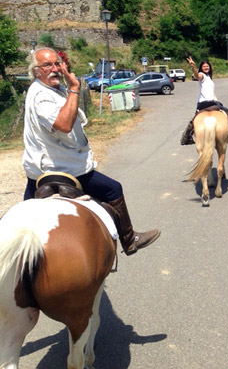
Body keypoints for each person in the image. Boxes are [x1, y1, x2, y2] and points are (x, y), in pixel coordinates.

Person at [22, 47, 160, 256]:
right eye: (47, 65)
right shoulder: (41, 95)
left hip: (39, 171)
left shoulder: (53, 88)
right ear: (36, 71)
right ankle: (130, 240)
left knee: (22, 216)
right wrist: (75, 87)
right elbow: (64, 124)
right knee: (114, 189)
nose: (55, 69)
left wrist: (69, 90)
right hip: (65, 168)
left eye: (57, 63)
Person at [180, 56, 228, 145]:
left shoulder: (209, 77)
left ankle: (186, 137)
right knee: (226, 111)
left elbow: (210, 91)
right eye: (204, 66)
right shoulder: (202, 75)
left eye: (207, 66)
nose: (206, 67)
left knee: (194, 119)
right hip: (204, 102)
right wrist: (193, 66)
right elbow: (197, 76)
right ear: (201, 68)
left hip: (211, 101)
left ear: (209, 67)